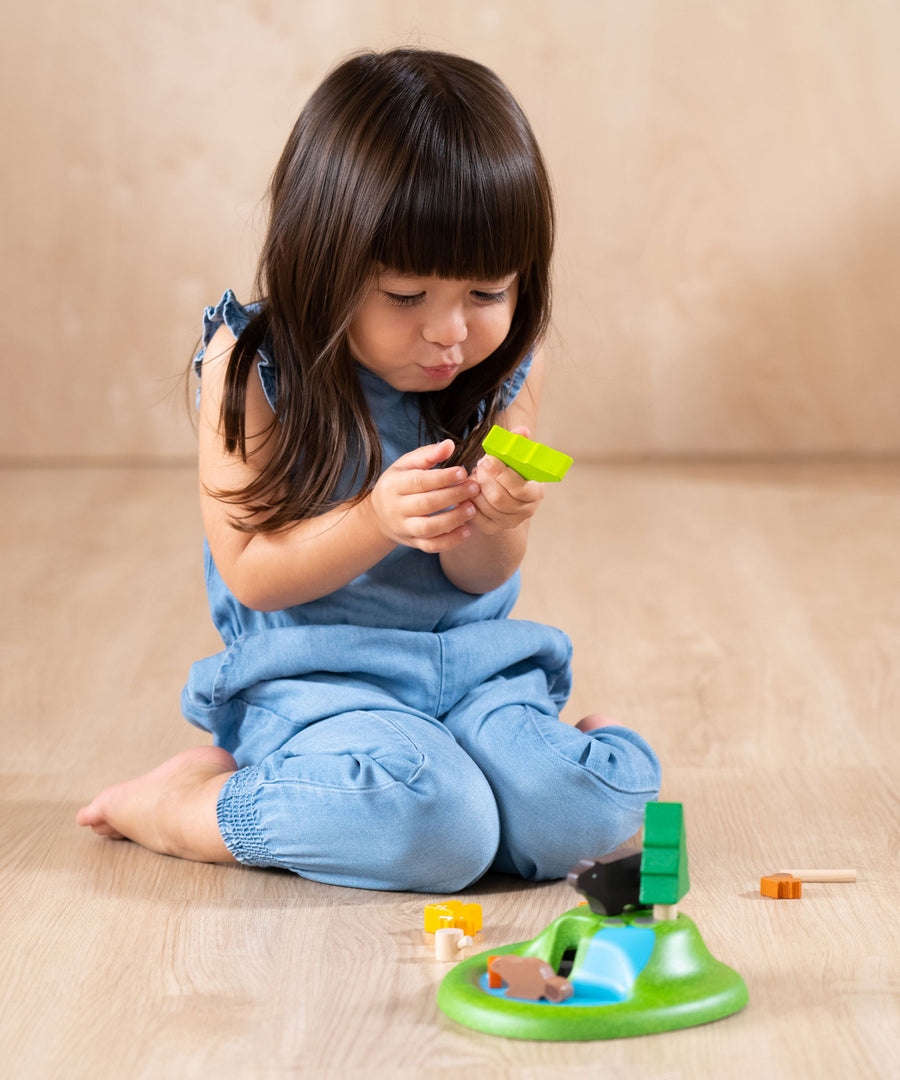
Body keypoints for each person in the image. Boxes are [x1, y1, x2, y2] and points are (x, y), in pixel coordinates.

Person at [77, 47, 660, 892]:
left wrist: (498, 523)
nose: (451, 333)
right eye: (406, 297)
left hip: (472, 670)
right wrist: (375, 521)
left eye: (486, 293)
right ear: (325, 262)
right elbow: (253, 576)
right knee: (435, 828)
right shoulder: (252, 369)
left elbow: (478, 577)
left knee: (584, 809)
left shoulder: (502, 374)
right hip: (318, 685)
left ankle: (542, 771)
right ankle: (187, 807)